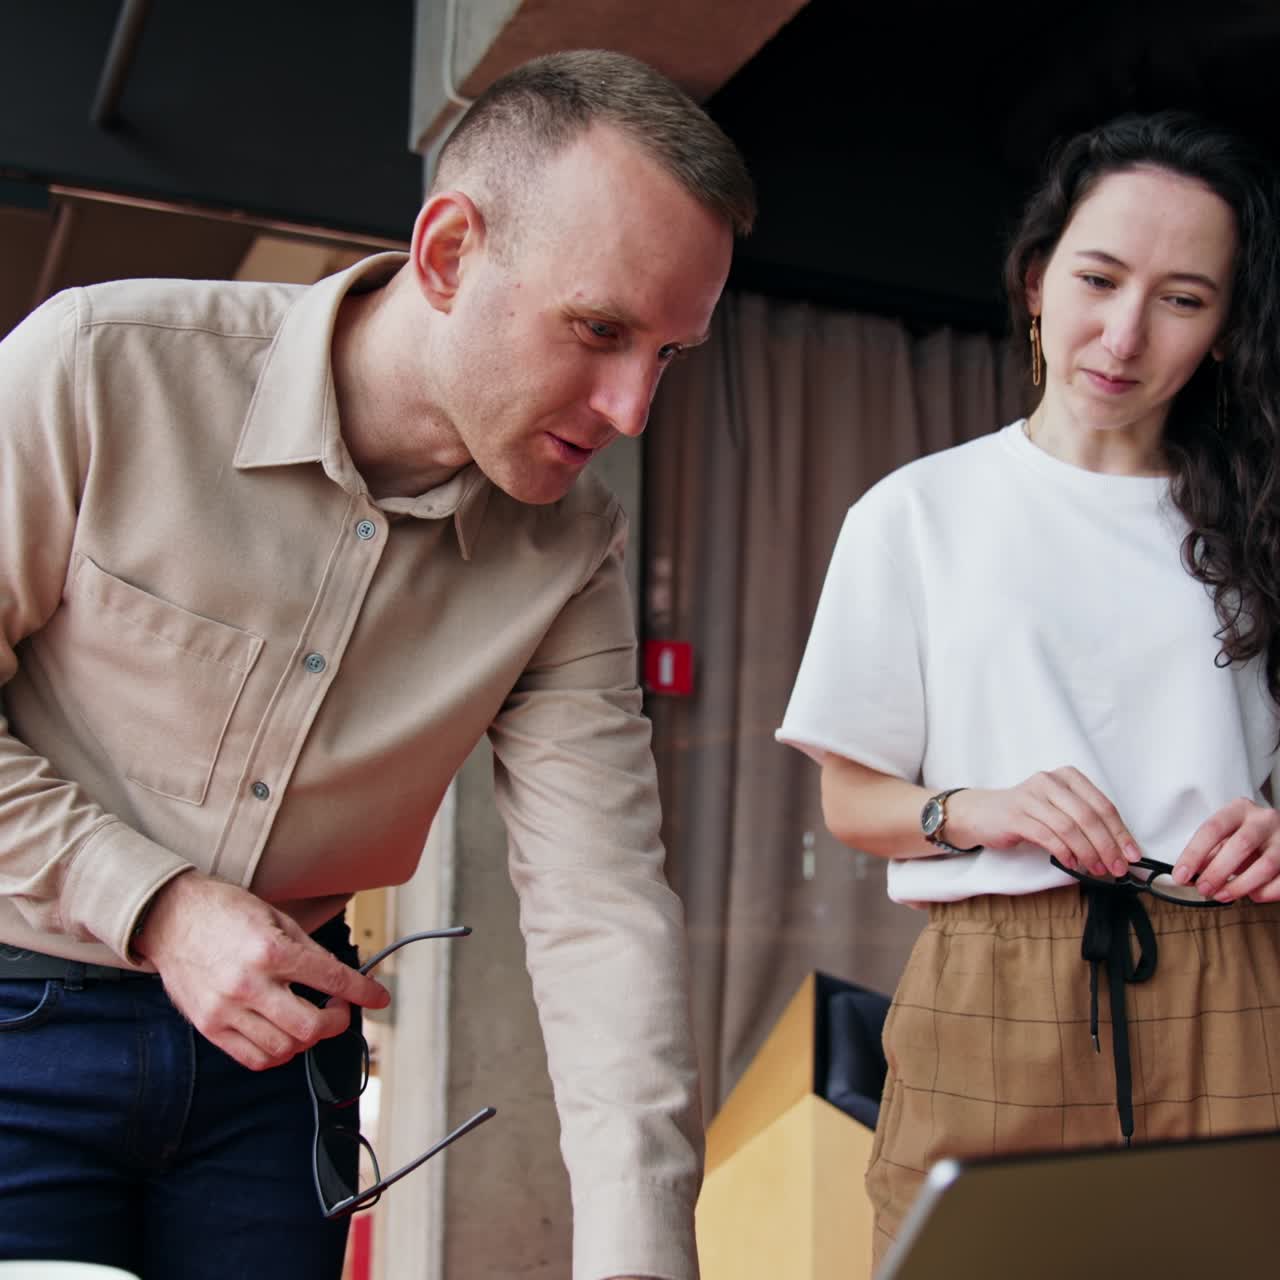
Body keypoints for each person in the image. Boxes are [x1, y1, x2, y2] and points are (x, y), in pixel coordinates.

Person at [0, 49, 754, 1280]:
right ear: (450, 253)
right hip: (18, 1009)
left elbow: (598, 900)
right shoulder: (100, 366)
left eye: (667, 354)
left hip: (281, 1068)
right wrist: (158, 900)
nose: (630, 408)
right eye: (601, 329)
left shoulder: (569, 548)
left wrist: (639, 1251)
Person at [777, 109, 1280, 1269]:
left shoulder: (1258, 519)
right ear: (1035, 276)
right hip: (991, 973)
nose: (1122, 331)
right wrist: (978, 808)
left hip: (1237, 968)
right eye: (1098, 277)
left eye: (1182, 298)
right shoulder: (916, 512)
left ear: (1222, 327)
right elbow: (851, 800)